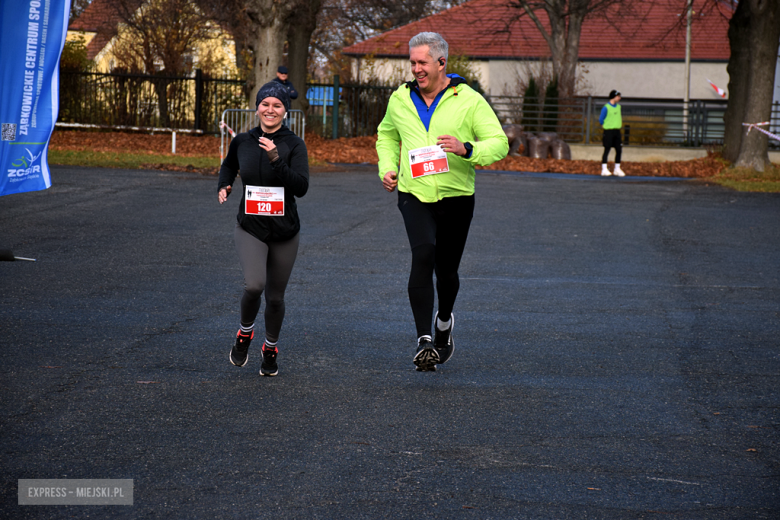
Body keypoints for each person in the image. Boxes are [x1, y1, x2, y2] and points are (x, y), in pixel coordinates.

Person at [376, 32, 508, 372]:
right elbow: (387, 135)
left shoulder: (469, 99)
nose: (416, 69)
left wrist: (468, 149)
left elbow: (499, 142)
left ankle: (444, 322)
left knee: (446, 271)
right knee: (423, 254)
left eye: (422, 62)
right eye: (413, 62)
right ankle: (424, 341)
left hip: (457, 197)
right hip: (414, 192)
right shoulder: (400, 99)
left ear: (441, 63)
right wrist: (388, 167)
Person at [218, 82, 309, 376]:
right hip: (251, 227)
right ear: (257, 107)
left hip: (285, 231)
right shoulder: (242, 140)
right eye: (265, 104)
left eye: (277, 105)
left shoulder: (294, 144)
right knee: (254, 285)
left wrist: (275, 159)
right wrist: (225, 184)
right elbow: (228, 165)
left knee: (276, 297)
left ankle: (271, 347)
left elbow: (301, 187)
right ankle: (244, 333)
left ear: (285, 111)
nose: (270, 110)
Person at [599, 90, 625, 177]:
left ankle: (617, 168)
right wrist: (604, 125)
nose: (619, 98)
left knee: (619, 149)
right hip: (608, 131)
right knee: (607, 149)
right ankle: (604, 169)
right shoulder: (606, 107)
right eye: (618, 96)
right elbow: (601, 119)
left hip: (617, 131)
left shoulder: (618, 107)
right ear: (614, 97)